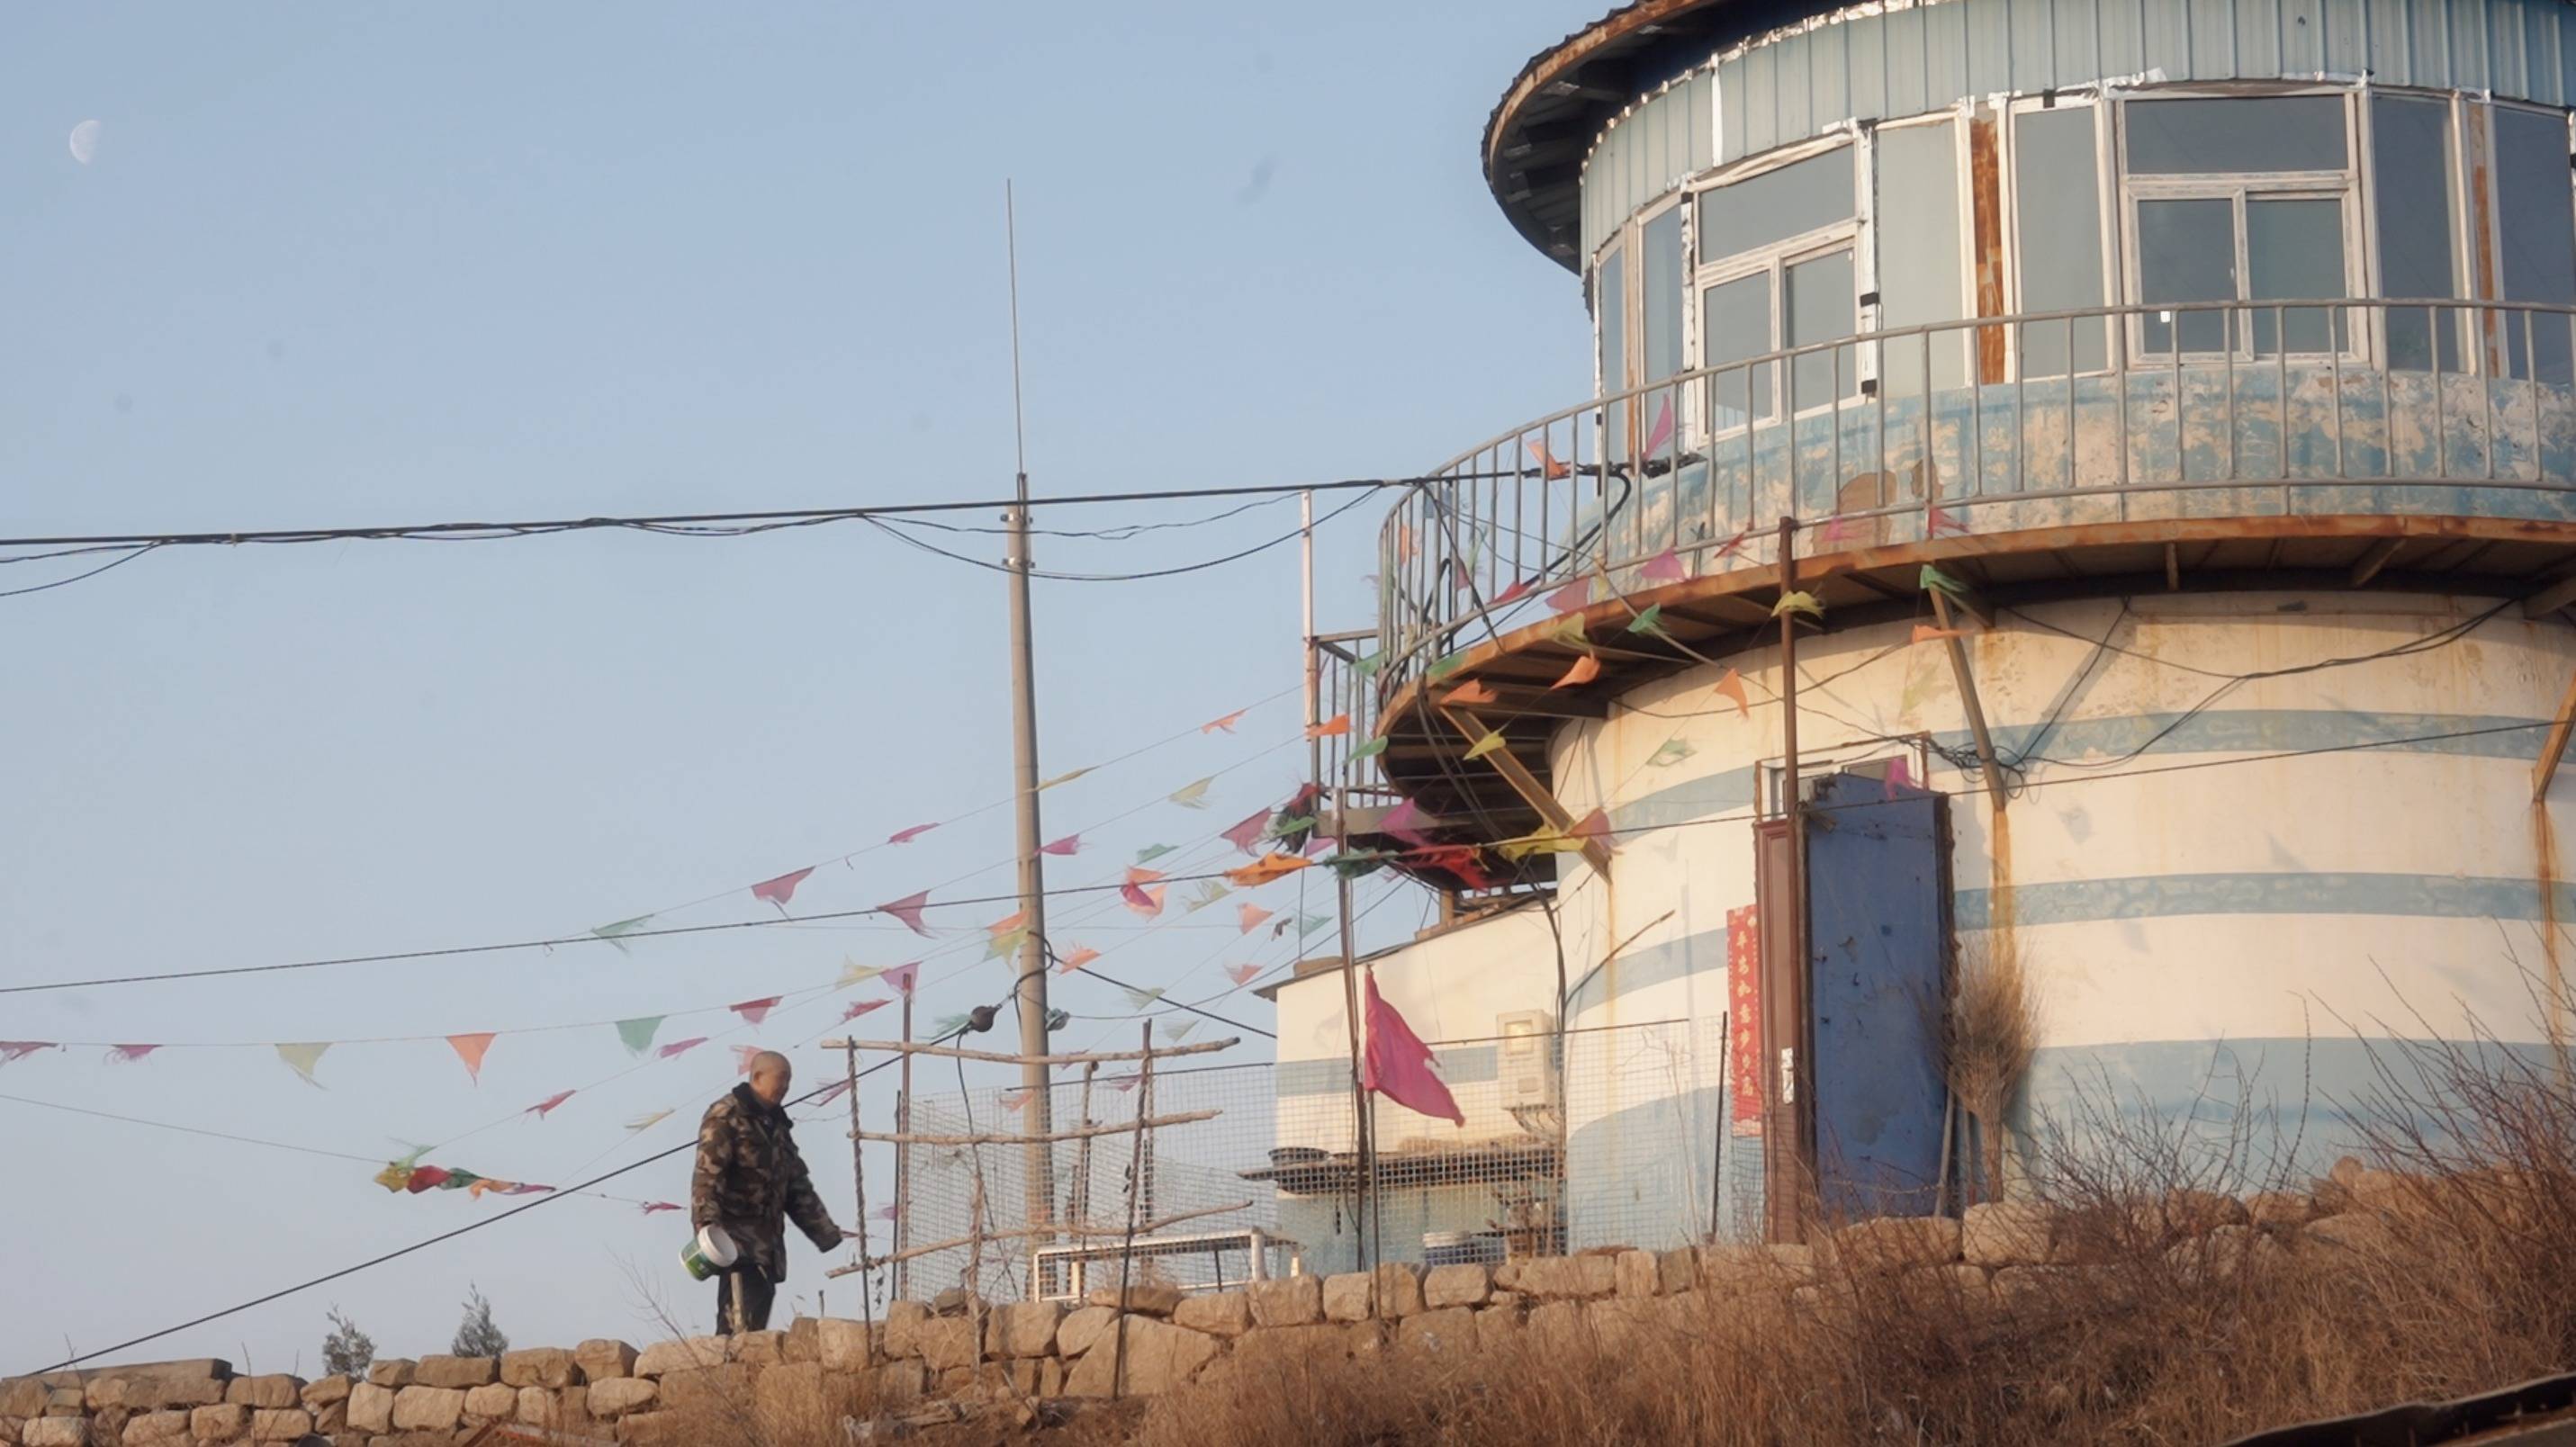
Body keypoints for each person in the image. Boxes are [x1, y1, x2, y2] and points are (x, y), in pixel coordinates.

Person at [689, 1049, 845, 1334]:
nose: (785, 1087)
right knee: (738, 1321)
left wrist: (825, 1233)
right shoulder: (727, 1116)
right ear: (758, 1077)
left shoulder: (777, 1127)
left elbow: (797, 1187)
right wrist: (705, 1224)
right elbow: (708, 1175)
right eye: (781, 1078)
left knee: (757, 1315)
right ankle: (728, 1360)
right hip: (734, 1242)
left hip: (767, 1246)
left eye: (789, 1081)